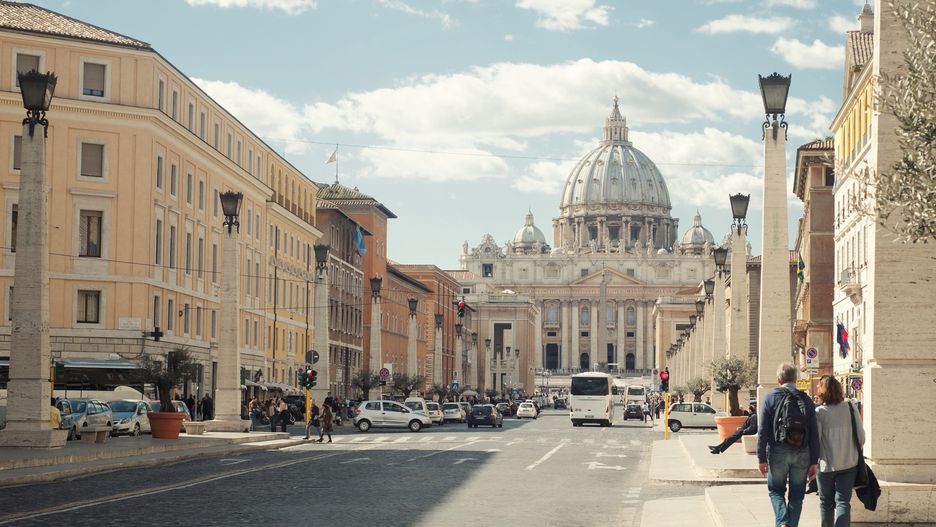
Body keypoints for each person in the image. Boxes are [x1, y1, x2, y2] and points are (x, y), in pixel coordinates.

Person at [757, 363, 819, 527]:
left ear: (778, 379)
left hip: (778, 450)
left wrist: (761, 458)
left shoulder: (770, 397)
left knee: (776, 491)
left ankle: (783, 521)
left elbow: (763, 430)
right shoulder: (806, 399)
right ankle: (790, 524)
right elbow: (814, 432)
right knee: (797, 495)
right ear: (796, 379)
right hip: (802, 451)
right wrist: (814, 461)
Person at [815, 376, 864, 527]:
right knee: (843, 501)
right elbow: (861, 437)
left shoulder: (820, 412)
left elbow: (816, 441)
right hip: (849, 464)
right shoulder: (850, 407)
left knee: (826, 503)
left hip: (826, 466)